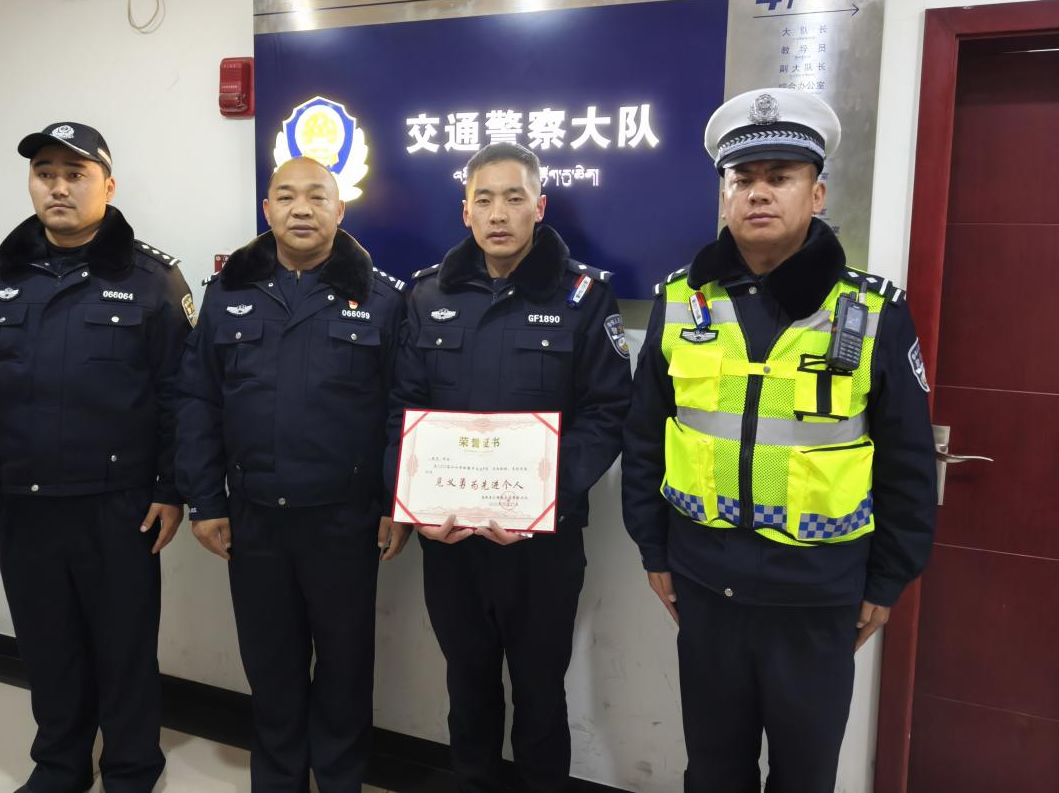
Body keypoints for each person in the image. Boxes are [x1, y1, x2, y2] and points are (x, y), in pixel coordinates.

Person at [622, 89, 938, 793]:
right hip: (705, 585)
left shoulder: (870, 310)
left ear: (817, 193)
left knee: (804, 776)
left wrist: (888, 579)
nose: (758, 193)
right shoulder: (682, 302)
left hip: (816, 596)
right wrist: (653, 551)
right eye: (742, 179)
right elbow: (645, 436)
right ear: (723, 196)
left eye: (780, 177)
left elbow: (908, 460)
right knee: (713, 772)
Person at [0, 122, 194, 793]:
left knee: (124, 648)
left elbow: (179, 395)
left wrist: (170, 488)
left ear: (107, 186)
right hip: (23, 500)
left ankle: (131, 767)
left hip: (118, 503)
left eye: (75, 174)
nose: (58, 187)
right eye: (45, 173)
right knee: (47, 644)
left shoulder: (151, 278)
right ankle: (60, 764)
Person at [387, 142, 630, 792]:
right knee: (466, 689)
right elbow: (401, 408)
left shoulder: (584, 296)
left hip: (542, 546)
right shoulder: (427, 295)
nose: (499, 213)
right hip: (451, 542)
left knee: (540, 695)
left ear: (539, 207)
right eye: (485, 199)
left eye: (514, 198)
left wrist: (543, 497)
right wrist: (409, 502)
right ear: (465, 210)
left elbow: (608, 412)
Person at [175, 156, 408, 793]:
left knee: (345, 668)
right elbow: (197, 399)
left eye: (316, 196)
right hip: (253, 519)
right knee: (270, 667)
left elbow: (402, 409)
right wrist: (204, 500)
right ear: (267, 209)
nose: (301, 209)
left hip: (345, 520)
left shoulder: (383, 299)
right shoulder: (228, 294)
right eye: (285, 196)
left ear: (340, 209)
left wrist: (396, 501)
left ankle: (338, 780)